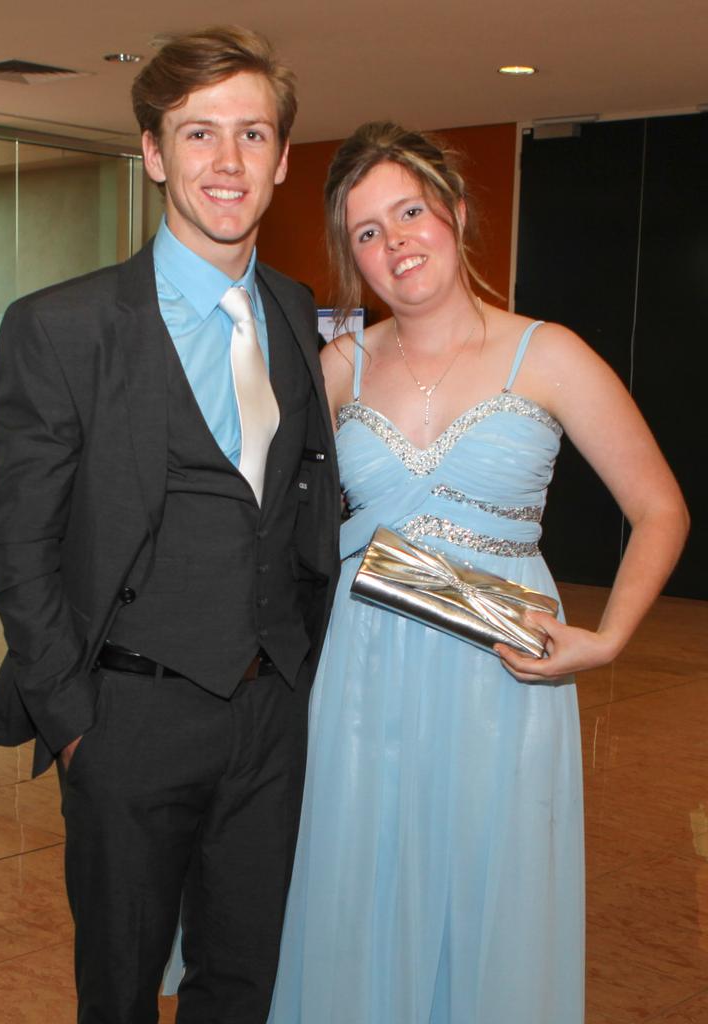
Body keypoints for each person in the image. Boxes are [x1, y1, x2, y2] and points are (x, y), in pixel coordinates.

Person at [267, 122, 689, 1024]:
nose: (395, 243)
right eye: (368, 233)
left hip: (501, 676)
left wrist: (607, 639)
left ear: (455, 213)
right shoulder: (336, 367)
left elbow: (661, 508)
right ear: (353, 259)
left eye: (410, 211)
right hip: (359, 677)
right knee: (358, 878)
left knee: (485, 888)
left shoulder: (553, 354)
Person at [0, 26, 340, 1024]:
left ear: (282, 158)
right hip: (128, 717)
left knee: (239, 982)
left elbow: (299, 496)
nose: (228, 163)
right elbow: (21, 539)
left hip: (268, 714)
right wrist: (77, 721)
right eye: (199, 134)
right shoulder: (67, 326)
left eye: (253, 134)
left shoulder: (293, 305)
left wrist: (301, 664)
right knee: (123, 988)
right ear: (152, 153)